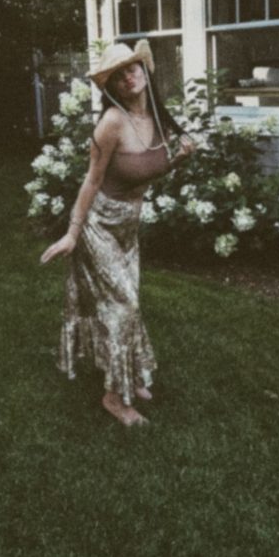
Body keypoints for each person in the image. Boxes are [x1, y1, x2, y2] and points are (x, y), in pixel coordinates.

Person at [40, 39, 194, 426]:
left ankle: (132, 374)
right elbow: (91, 181)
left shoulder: (157, 117)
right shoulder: (111, 123)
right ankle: (114, 398)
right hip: (99, 225)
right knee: (123, 307)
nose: (129, 76)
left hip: (128, 227)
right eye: (118, 75)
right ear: (111, 87)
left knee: (129, 303)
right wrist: (72, 233)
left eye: (132, 67)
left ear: (144, 69)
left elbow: (145, 172)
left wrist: (177, 159)